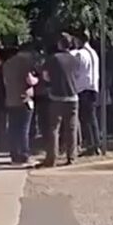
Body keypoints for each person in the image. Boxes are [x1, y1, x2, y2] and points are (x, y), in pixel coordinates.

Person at [40, 33, 81, 167]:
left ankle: (52, 158)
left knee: (54, 128)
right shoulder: (75, 59)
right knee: (71, 128)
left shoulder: (53, 59)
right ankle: (71, 157)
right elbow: (77, 75)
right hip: (73, 96)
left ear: (59, 44)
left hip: (56, 96)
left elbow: (46, 76)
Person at [3, 42, 39, 164]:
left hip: (11, 99)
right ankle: (24, 153)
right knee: (24, 128)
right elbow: (30, 80)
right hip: (24, 99)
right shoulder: (26, 62)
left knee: (13, 128)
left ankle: (14, 154)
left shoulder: (7, 63)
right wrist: (37, 80)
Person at [72, 31, 102, 156]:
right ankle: (96, 144)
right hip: (93, 87)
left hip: (83, 88)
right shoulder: (94, 53)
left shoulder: (80, 54)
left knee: (85, 119)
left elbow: (77, 71)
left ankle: (91, 145)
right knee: (92, 117)